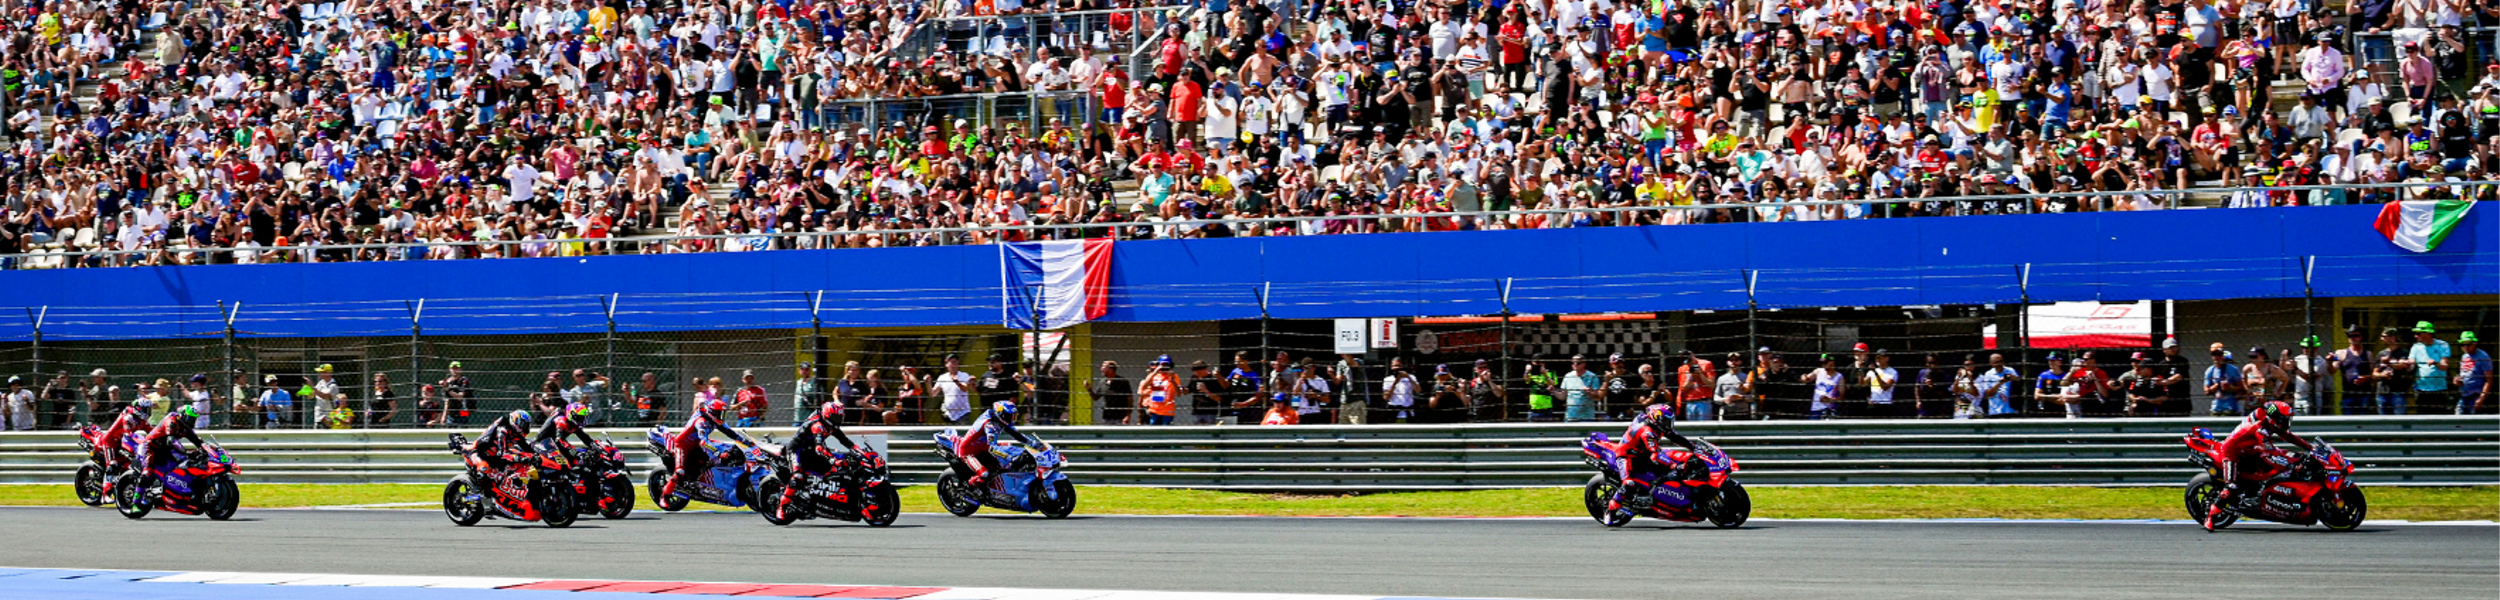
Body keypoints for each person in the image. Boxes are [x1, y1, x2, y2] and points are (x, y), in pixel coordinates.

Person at [2204, 401, 2313, 531]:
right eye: (2284, 419)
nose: (2287, 422)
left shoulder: (2270, 423)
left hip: (2250, 450)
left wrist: (2310, 448)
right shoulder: (2261, 430)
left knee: (2271, 471)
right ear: (2275, 418)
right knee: (2231, 487)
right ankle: (2210, 516)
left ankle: (2258, 495)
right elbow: (2270, 454)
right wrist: (2292, 465)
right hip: (2232, 453)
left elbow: (2289, 437)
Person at [1603, 405, 1701, 521]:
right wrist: (1673, 465)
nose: (1668, 424)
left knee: (1667, 466)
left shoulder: (1658, 426)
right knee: (1628, 483)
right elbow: (1655, 454)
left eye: (1670, 421)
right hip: (1626, 456)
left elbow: (1676, 437)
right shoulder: (1647, 432)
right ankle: (1611, 511)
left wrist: (1693, 447)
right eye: (1666, 421)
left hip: (1642, 454)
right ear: (1656, 419)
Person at [658, 399, 755, 501]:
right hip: (683, 445)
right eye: (719, 413)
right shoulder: (701, 422)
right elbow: (704, 442)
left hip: (696, 444)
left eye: (722, 413)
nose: (721, 416)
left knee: (720, 455)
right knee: (679, 472)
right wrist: (719, 454)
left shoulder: (715, 420)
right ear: (711, 412)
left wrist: (747, 442)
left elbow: (731, 433)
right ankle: (664, 496)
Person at [778, 401, 863, 510]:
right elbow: (819, 448)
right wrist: (833, 460)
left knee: (832, 470)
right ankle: (782, 507)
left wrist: (859, 451)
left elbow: (844, 440)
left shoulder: (831, 424)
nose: (838, 420)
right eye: (836, 417)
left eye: (840, 418)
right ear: (827, 415)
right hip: (797, 450)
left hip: (811, 450)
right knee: (797, 477)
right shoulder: (817, 425)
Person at [953, 401, 1043, 488]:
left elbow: (1017, 435)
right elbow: (992, 448)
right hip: (968, 452)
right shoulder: (989, 425)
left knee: (1002, 463)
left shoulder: (999, 420)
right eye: (1009, 416)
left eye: (1013, 416)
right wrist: (1009, 457)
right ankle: (970, 486)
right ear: (1001, 415)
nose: (1012, 419)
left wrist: (1034, 444)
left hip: (983, 448)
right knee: (985, 474)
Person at [134, 405, 211, 494]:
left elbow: (196, 440)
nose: (191, 422)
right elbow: (171, 440)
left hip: (164, 448)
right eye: (190, 419)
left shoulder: (185, 427)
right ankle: (136, 500)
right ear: (182, 415)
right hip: (151, 446)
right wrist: (185, 453)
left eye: (194, 420)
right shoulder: (171, 421)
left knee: (181, 465)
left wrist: (207, 449)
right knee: (147, 473)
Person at [465, 410, 541, 495]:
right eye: (524, 425)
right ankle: (478, 492)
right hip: (480, 453)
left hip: (494, 457)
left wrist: (538, 455)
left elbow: (527, 448)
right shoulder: (502, 430)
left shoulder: (515, 434)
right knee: (483, 468)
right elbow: (502, 453)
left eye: (527, 425)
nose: (525, 428)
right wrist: (518, 458)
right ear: (515, 421)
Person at [2399, 321, 2455, 414]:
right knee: (2423, 415)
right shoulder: (2416, 347)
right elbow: (2411, 364)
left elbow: (2444, 366)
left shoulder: (2442, 345)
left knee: (2440, 414)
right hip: (2421, 389)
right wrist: (2406, 364)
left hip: (2439, 389)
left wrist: (2435, 363)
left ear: (2428, 333)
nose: (2415, 336)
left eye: (2418, 334)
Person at [95, 396, 155, 473]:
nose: (148, 413)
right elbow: (129, 434)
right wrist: (143, 441)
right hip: (110, 441)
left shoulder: (142, 420)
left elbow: (153, 432)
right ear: (139, 408)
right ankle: (108, 479)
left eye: (149, 410)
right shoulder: (128, 417)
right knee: (112, 466)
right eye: (146, 410)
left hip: (121, 442)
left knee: (128, 462)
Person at [1135, 356, 1181, 425]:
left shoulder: (1174, 376)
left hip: (1167, 409)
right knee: (1154, 428)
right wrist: (1155, 371)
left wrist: (1173, 381)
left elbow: (1178, 394)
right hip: (1154, 409)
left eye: (1166, 365)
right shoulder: (1153, 375)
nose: (1164, 367)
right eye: (1162, 365)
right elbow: (1144, 386)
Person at [1089, 361, 1134, 425]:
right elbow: (1095, 397)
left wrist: (1128, 416)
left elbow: (1130, 399)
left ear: (1111, 369)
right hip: (1107, 416)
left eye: (1104, 367)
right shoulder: (1103, 382)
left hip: (1120, 416)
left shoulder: (1122, 382)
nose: (1101, 369)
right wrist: (1089, 389)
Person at [2204, 347, 2247, 416]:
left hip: (2231, 407)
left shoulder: (2233, 369)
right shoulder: (2210, 370)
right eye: (2214, 354)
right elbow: (2206, 391)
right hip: (2216, 408)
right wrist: (2216, 386)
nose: (2216, 357)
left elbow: (2242, 389)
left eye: (2219, 354)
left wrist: (2230, 388)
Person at [2457, 332, 2490, 415]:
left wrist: (2481, 399)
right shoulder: (2464, 356)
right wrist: (2457, 380)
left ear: (2474, 343)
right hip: (2464, 395)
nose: (2465, 347)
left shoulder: (2483, 357)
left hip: (2476, 396)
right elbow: (2464, 373)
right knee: (2457, 419)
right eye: (2463, 344)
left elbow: (2489, 380)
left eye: (2468, 344)